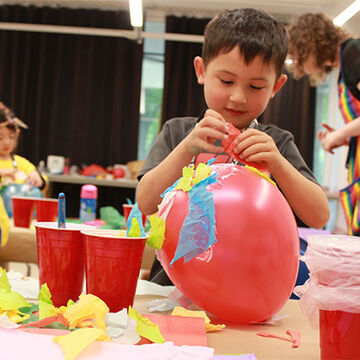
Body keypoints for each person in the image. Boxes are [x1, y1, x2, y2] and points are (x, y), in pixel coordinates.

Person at [136, 8, 330, 284]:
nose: (238, 97)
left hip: (249, 288)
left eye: (256, 86)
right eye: (226, 81)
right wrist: (186, 149)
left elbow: (319, 216)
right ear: (201, 71)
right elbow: (146, 201)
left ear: (276, 86)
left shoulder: (276, 144)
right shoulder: (179, 132)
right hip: (173, 286)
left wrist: (277, 163)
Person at [287, 13, 360, 235]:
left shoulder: (353, 54)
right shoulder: (344, 66)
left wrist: (338, 135)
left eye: (299, 54)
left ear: (311, 43)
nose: (298, 62)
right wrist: (346, 137)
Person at [0, 101, 46, 247]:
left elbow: (43, 182)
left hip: (17, 221)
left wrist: (36, 178)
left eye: (11, 137)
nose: (6, 142)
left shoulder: (20, 162)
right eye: (0, 137)